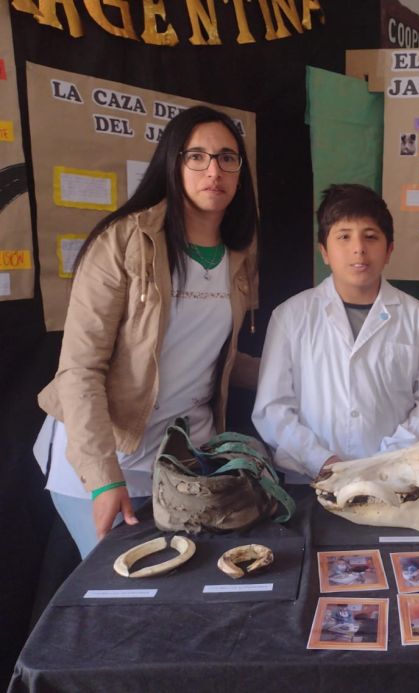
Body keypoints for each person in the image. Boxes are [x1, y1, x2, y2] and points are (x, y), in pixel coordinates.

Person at [34, 106, 260, 557]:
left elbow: (218, 359)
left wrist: (308, 373)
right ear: (172, 164)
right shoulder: (122, 242)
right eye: (196, 156)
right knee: (124, 595)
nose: (213, 170)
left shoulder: (238, 255)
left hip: (184, 461)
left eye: (227, 158)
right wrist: (104, 480)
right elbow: (80, 370)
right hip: (106, 459)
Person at [252, 183, 419, 482]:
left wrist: (386, 462)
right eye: (344, 237)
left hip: (395, 481)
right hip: (311, 483)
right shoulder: (291, 317)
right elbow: (272, 409)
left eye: (370, 237)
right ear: (324, 251)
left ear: (389, 250)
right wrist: (321, 461)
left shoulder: (417, 318)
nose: (358, 248)